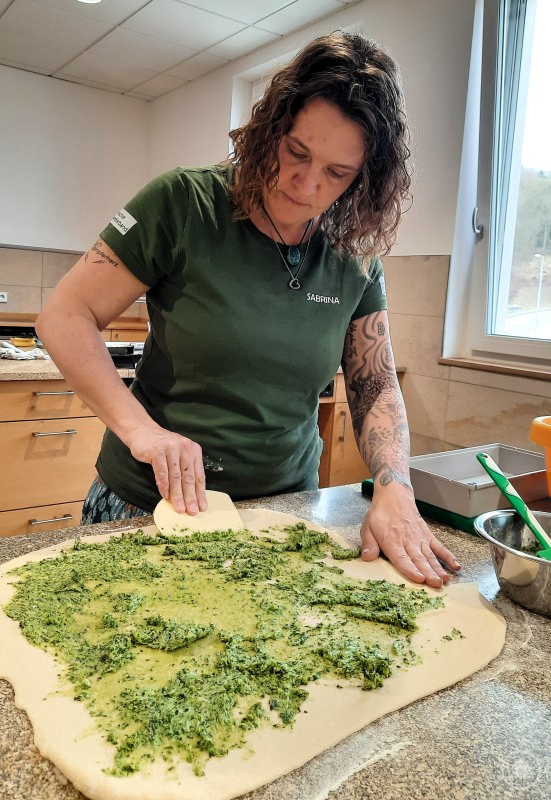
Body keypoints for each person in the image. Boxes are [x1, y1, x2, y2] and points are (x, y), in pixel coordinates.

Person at [36, 30, 461, 588]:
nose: (306, 185)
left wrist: (394, 487)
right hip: (150, 509)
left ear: (365, 179)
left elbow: (374, 383)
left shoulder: (354, 254)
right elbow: (64, 316)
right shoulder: (183, 204)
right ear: (270, 130)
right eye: (297, 152)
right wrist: (141, 431)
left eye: (337, 173)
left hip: (280, 519)